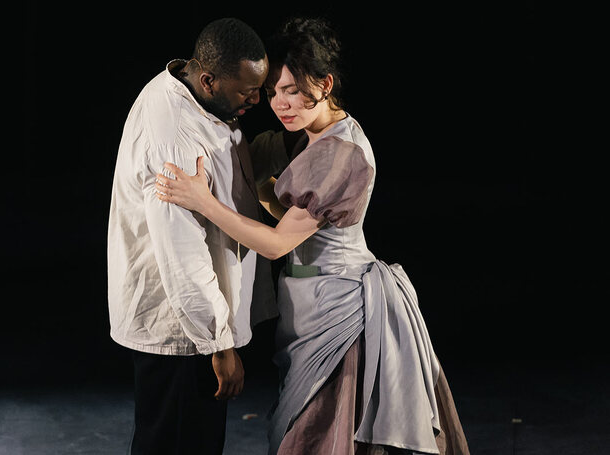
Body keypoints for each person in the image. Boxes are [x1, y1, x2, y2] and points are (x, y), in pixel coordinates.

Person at [155, 17, 471, 455]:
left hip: (341, 306)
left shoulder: (341, 152)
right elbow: (288, 212)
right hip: (307, 298)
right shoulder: (311, 135)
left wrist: (202, 201)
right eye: (272, 92)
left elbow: (276, 243)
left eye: (292, 90)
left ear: (324, 84)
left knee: (326, 431)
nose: (281, 104)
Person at [107, 18, 277, 455]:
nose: (258, 100)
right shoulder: (175, 138)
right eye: (247, 91)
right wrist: (218, 344)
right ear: (208, 79)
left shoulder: (198, 95)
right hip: (183, 334)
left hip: (192, 327)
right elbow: (182, 252)